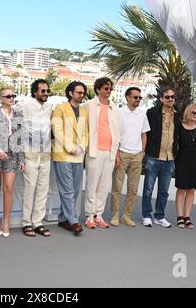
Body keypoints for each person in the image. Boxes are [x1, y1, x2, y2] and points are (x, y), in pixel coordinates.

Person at [0, 86, 25, 238]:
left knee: (8, 187)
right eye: (8, 96)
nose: (11, 98)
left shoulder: (19, 115)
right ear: (1, 98)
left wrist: (22, 159)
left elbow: (20, 138)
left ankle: (6, 222)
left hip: (12, 155)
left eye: (13, 95)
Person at [16, 79, 52, 237]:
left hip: (45, 155)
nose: (46, 94)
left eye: (47, 91)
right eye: (42, 91)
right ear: (35, 92)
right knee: (29, 190)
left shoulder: (49, 107)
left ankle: (38, 222)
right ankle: (26, 222)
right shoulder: (25, 105)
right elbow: (12, 119)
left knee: (43, 190)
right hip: (30, 155)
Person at [52, 81, 89, 236]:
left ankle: (63, 218)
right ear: (70, 93)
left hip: (79, 155)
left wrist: (82, 147)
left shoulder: (84, 111)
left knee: (74, 190)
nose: (81, 95)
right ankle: (73, 220)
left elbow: (86, 132)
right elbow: (57, 130)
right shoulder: (60, 109)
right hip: (63, 154)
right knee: (67, 189)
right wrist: (71, 147)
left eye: (83, 93)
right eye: (79, 92)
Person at [83, 77, 120, 229]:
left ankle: (99, 215)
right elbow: (82, 128)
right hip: (94, 151)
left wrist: (116, 153)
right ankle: (89, 216)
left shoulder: (115, 108)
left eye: (110, 88)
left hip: (110, 152)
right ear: (98, 89)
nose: (109, 91)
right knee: (91, 185)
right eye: (106, 88)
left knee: (104, 186)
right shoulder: (88, 105)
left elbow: (118, 132)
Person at [110, 87, 150, 227]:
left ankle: (126, 216)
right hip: (122, 153)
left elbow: (144, 134)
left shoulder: (142, 114)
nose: (138, 100)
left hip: (137, 156)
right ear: (127, 97)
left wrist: (142, 153)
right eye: (135, 97)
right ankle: (115, 215)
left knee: (133, 189)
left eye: (139, 97)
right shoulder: (119, 113)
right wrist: (116, 154)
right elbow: (115, 134)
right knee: (117, 188)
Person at [142, 87, 180, 228]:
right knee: (148, 189)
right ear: (161, 99)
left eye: (172, 97)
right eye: (167, 97)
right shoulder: (152, 113)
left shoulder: (178, 115)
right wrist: (144, 151)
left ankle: (159, 216)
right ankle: (146, 215)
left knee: (164, 191)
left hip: (169, 158)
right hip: (153, 157)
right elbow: (145, 133)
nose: (170, 99)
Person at [175, 103, 196, 229]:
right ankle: (179, 217)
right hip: (182, 160)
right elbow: (173, 145)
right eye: (193, 112)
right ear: (188, 113)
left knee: (191, 189)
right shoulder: (179, 127)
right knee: (181, 188)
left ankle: (187, 217)